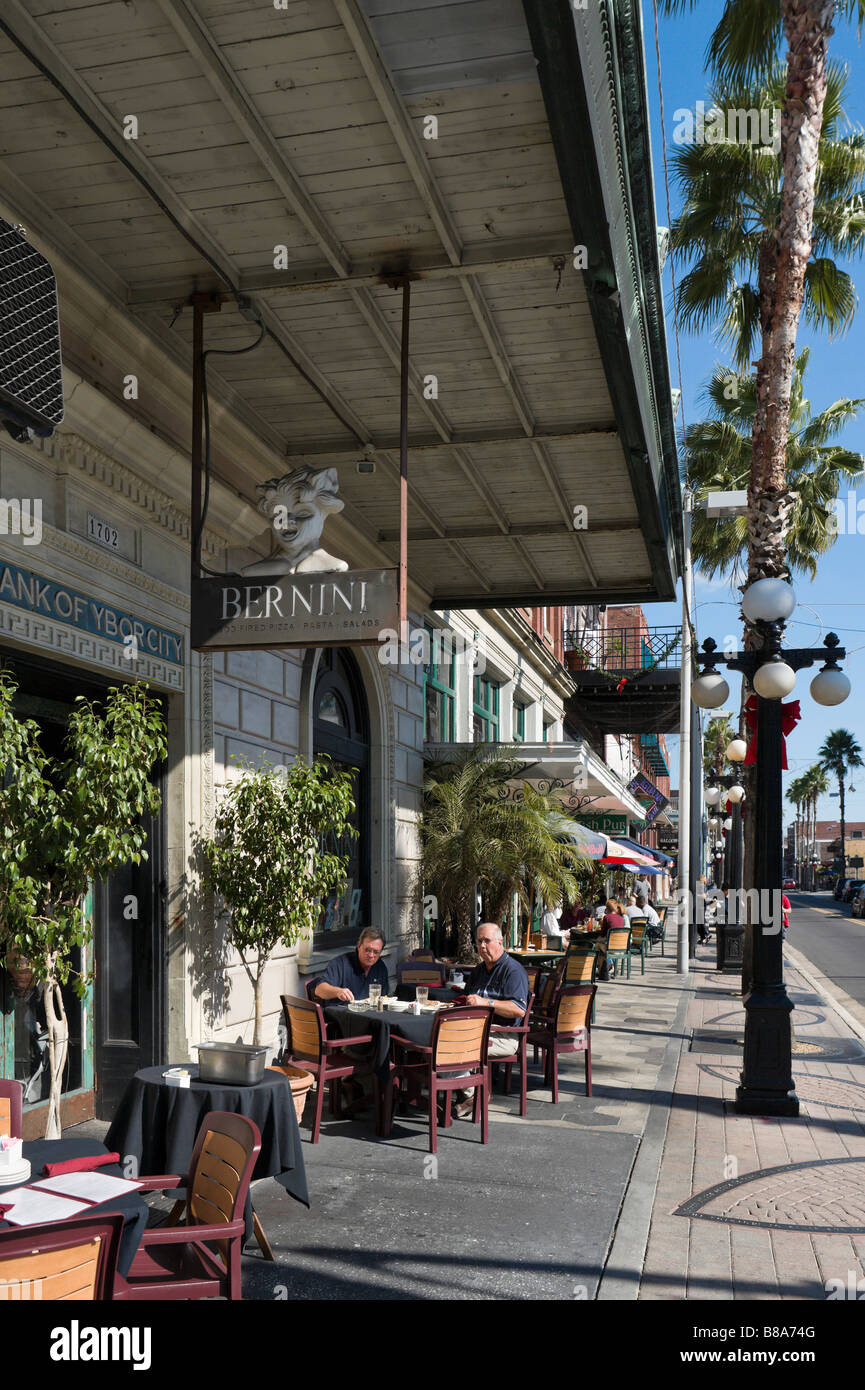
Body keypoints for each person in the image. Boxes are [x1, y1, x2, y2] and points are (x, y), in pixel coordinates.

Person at [454, 923, 529, 1118]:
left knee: (457, 1048)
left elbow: (518, 1010)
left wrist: (486, 1002)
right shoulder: (479, 970)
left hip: (505, 1035)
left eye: (487, 941)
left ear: (500, 942)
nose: (482, 946)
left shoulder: (513, 971)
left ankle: (475, 1095)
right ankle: (470, 1093)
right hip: (475, 1031)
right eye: (479, 941)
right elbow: (465, 999)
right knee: (442, 1042)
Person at [313, 926, 390, 1002]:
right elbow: (319, 990)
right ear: (359, 946)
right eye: (367, 950)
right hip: (341, 1012)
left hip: (370, 1013)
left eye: (376, 952)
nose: (371, 955)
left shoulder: (380, 967)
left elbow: (384, 998)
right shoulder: (340, 963)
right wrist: (338, 992)